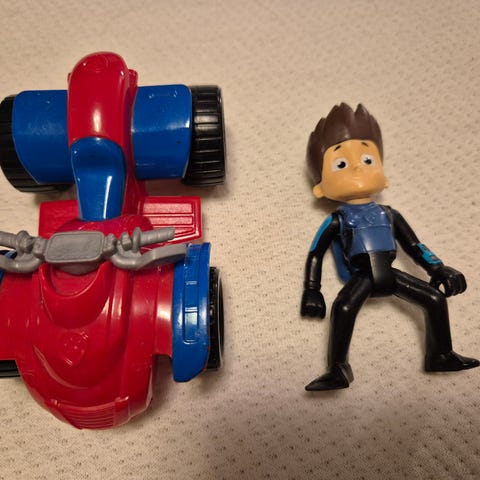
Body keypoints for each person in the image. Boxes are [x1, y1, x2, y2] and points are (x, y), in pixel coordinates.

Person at [301, 103, 479, 391]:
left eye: (368, 159)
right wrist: (312, 290)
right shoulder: (337, 219)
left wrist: (438, 268)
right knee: (343, 308)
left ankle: (440, 355)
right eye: (341, 164)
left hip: (391, 273)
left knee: (435, 299)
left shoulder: (389, 214)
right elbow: (315, 254)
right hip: (362, 277)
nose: (358, 166)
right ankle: (337, 369)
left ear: (383, 174)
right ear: (320, 188)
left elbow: (415, 246)